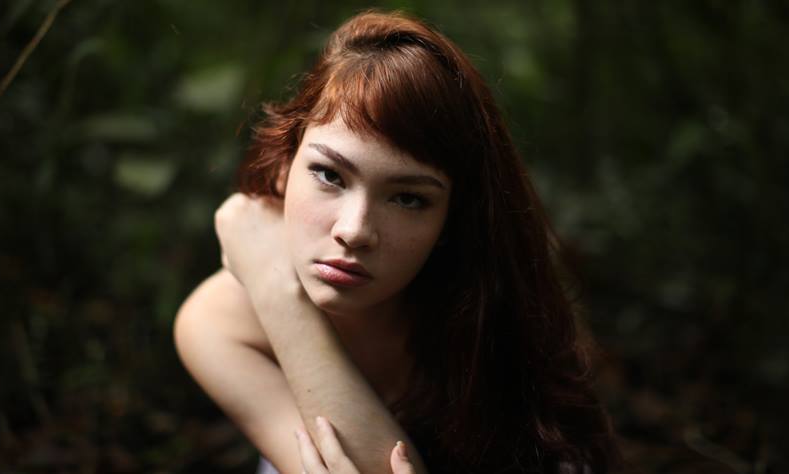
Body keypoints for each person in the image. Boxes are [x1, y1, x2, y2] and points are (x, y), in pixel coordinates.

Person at [174, 10, 622, 474]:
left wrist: (279, 294)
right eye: (329, 175)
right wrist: (278, 299)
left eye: (408, 199)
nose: (354, 230)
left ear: (451, 219)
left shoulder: (494, 310)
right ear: (285, 167)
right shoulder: (220, 320)